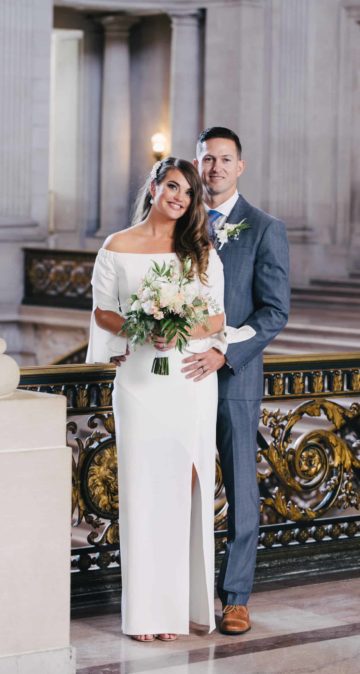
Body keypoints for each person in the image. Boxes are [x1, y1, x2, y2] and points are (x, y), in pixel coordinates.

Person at [86, 157, 226, 641]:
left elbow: (217, 319)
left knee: (184, 490)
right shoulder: (117, 246)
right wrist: (139, 328)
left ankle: (176, 610)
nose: (179, 197)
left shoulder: (200, 249)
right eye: (172, 186)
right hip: (139, 379)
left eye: (188, 192)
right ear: (153, 186)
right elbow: (103, 311)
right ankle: (145, 613)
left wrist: (179, 326)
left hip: (188, 380)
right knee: (143, 489)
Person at [182, 127, 290, 635]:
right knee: (180, 484)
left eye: (225, 160)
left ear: (239, 167)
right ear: (198, 165)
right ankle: (181, 590)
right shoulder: (181, 223)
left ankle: (237, 597)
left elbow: (275, 311)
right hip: (179, 378)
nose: (215, 168)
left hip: (234, 377)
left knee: (242, 490)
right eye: (207, 159)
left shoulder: (265, 227)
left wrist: (226, 353)